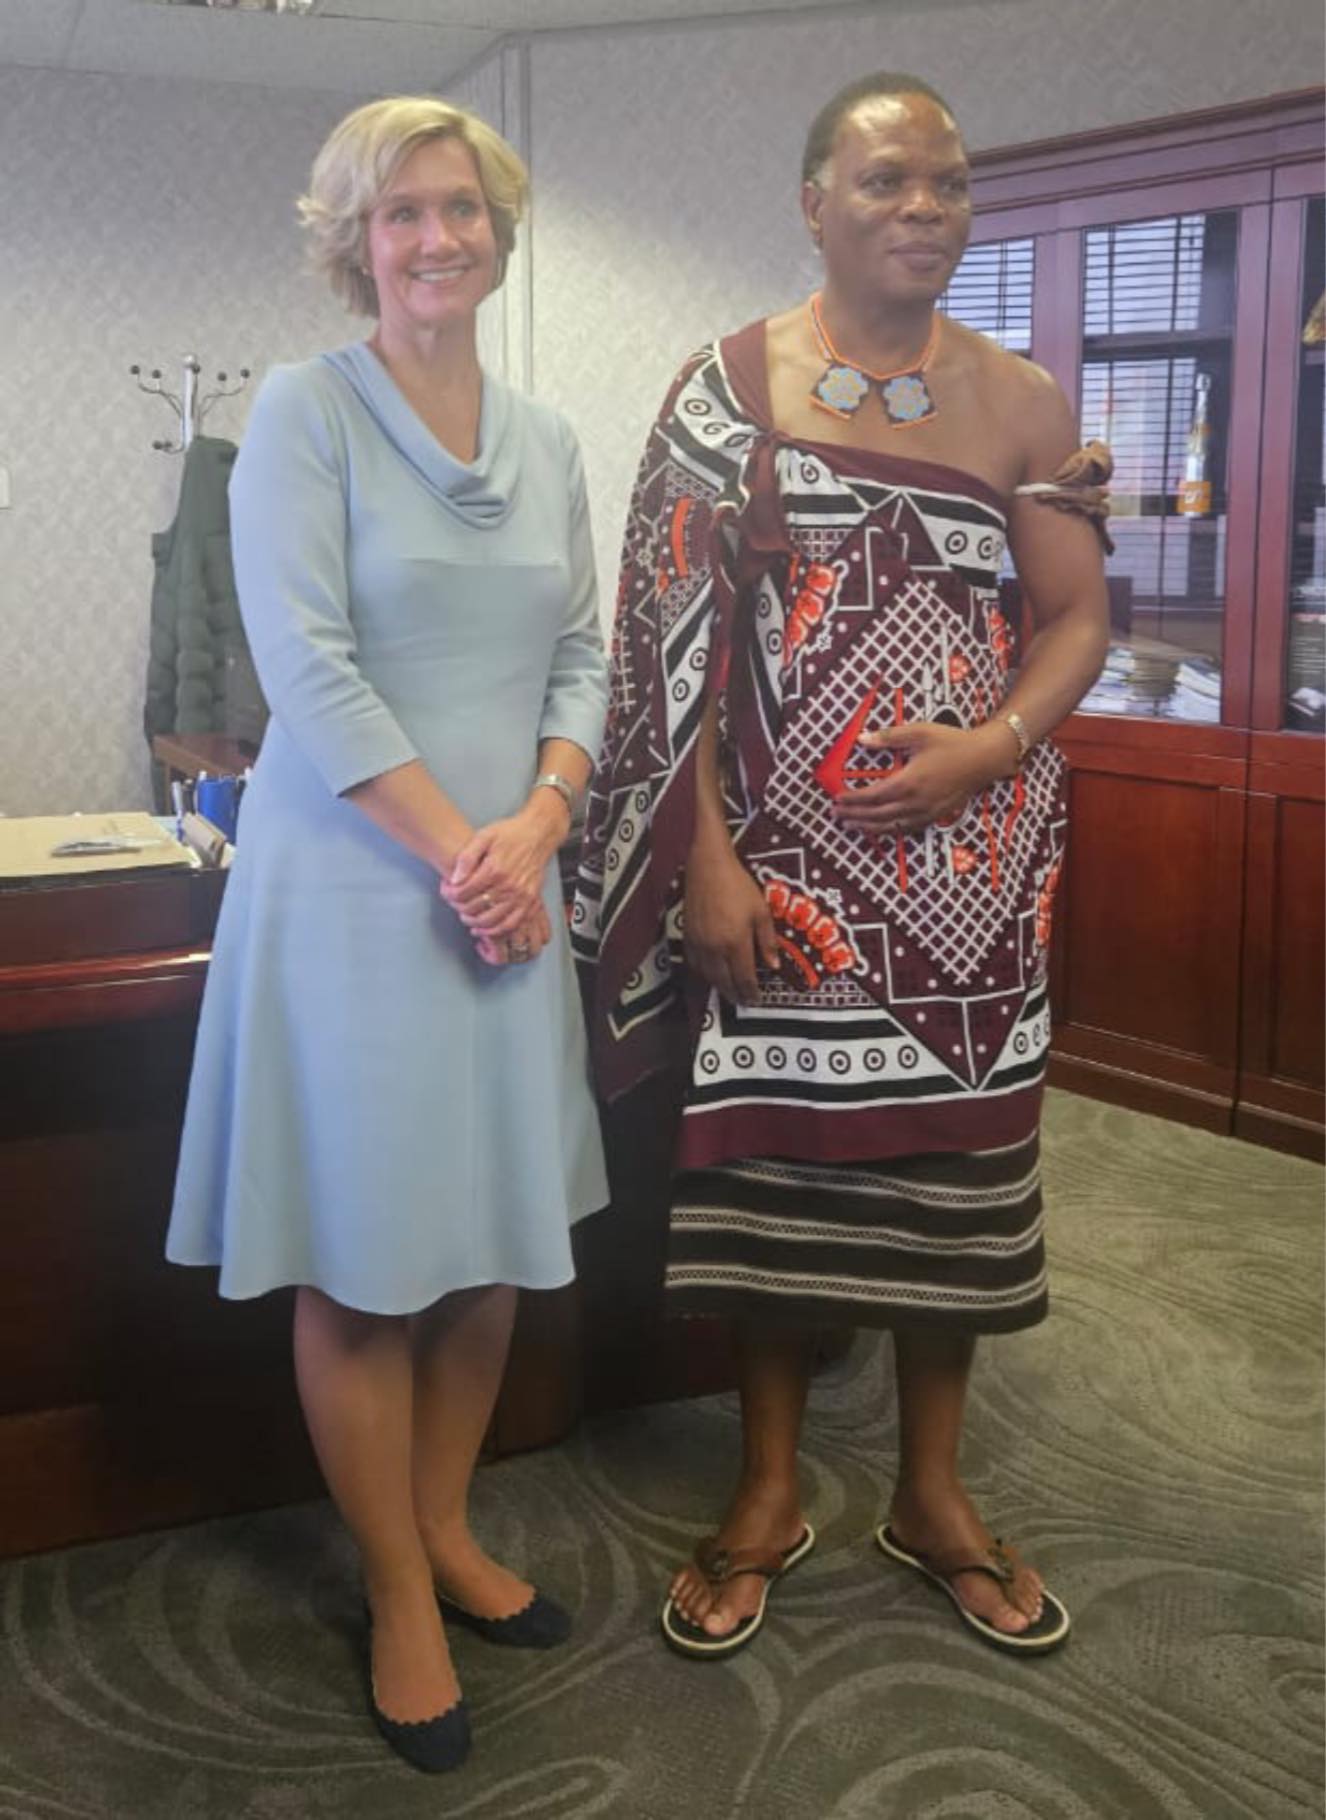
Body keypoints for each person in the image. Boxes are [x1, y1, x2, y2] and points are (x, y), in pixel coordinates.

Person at [574, 72, 1109, 1663]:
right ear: (814, 202)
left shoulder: (1023, 402)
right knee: (775, 1188)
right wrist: (705, 863)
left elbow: (1078, 620)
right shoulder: (723, 392)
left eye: (947, 182)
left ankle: (931, 1496)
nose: (923, 208)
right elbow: (663, 658)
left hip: (976, 886)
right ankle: (764, 1493)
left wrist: (989, 747)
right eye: (886, 181)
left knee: (958, 1190)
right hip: (780, 888)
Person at [166, 96, 608, 1772]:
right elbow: (307, 666)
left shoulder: (548, 438)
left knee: (485, 1241)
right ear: (356, 242)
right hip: (361, 887)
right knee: (364, 1254)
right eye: (401, 212)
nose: (436, 237)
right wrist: (462, 857)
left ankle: (444, 1528)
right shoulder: (305, 410)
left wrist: (539, 824)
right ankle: (397, 1589)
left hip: (507, 883)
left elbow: (583, 655)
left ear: (499, 227)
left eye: (461, 207)